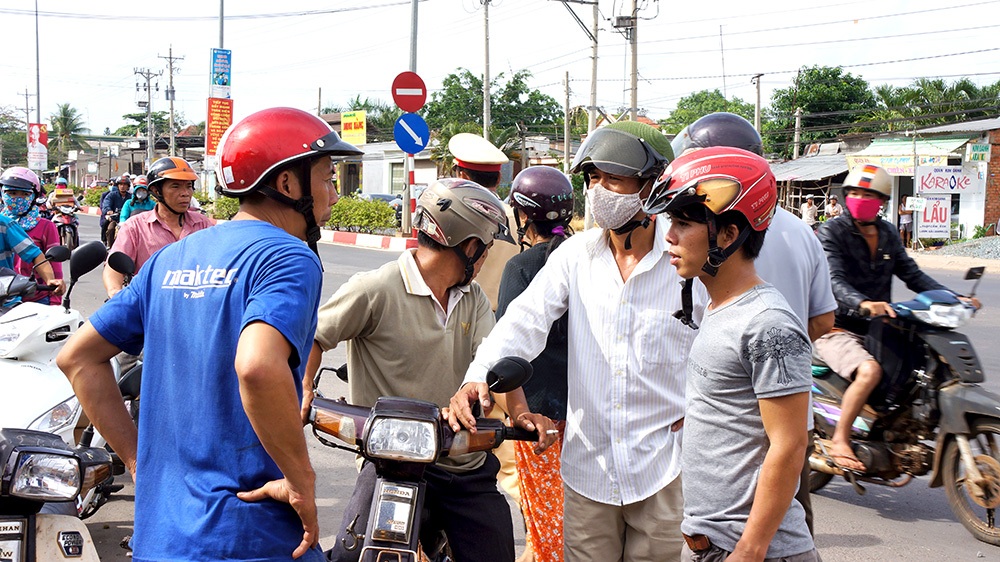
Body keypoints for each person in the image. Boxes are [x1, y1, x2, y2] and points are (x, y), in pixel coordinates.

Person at [56, 106, 363, 562]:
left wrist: (141, 464)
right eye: (327, 178)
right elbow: (258, 367)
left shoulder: (172, 258)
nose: (334, 195)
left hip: (160, 537)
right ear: (287, 184)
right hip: (248, 537)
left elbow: (77, 358)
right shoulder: (289, 257)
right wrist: (302, 484)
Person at [449, 121, 703, 562]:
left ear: (653, 185)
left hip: (665, 470)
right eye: (592, 178)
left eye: (614, 179)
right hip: (589, 473)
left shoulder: (686, 259)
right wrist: (478, 378)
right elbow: (522, 323)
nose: (598, 190)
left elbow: (723, 344)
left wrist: (702, 409)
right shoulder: (575, 256)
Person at [305, 177, 554, 562]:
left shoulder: (472, 299)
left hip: (462, 461)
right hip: (391, 462)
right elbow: (315, 339)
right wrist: (303, 390)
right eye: (485, 250)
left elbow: (495, 358)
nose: (484, 258)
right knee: (351, 556)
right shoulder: (375, 288)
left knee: (495, 551)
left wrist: (520, 414)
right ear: (471, 247)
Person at [669, 112, 835, 536]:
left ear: (727, 234)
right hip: (718, 530)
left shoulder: (766, 323)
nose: (669, 236)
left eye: (683, 222)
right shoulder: (718, 304)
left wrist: (751, 548)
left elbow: (788, 445)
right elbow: (821, 318)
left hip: (753, 539)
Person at [814, 164, 979, 472]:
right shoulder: (832, 230)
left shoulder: (888, 233)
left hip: (881, 325)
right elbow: (833, 279)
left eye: (868, 194)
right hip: (838, 326)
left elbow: (912, 275)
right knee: (869, 372)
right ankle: (840, 439)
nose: (860, 198)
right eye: (854, 193)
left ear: (883, 201)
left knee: (923, 366)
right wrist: (863, 302)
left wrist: (955, 296)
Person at [498, 166, 575, 562]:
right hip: (589, 412)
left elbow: (507, 350)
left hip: (539, 418)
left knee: (548, 522)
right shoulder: (589, 256)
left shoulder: (523, 267)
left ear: (524, 216)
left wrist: (519, 412)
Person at [447, 132, 525, 509]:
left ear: (459, 172)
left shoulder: (450, 215)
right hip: (507, 345)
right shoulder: (516, 219)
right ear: (498, 179)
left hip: (461, 332)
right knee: (503, 441)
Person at [102, 157, 214, 299]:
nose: (185, 193)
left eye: (189, 186)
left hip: (195, 308)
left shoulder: (203, 225)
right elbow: (113, 268)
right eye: (175, 186)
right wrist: (115, 293)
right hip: (149, 308)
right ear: (156, 190)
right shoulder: (135, 227)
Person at [0, 167, 65, 305]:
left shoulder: (5, 225)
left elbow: (40, 257)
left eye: (24, 194)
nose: (17, 198)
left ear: (34, 196)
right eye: (11, 193)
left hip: (31, 298)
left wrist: (53, 292)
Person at [101, 174, 131, 247]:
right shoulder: (112, 195)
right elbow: (106, 204)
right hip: (115, 219)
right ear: (117, 185)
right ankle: (109, 246)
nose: (122, 186)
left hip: (128, 221)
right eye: (120, 184)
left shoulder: (131, 197)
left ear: (128, 186)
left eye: (125, 184)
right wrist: (109, 210)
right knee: (110, 229)